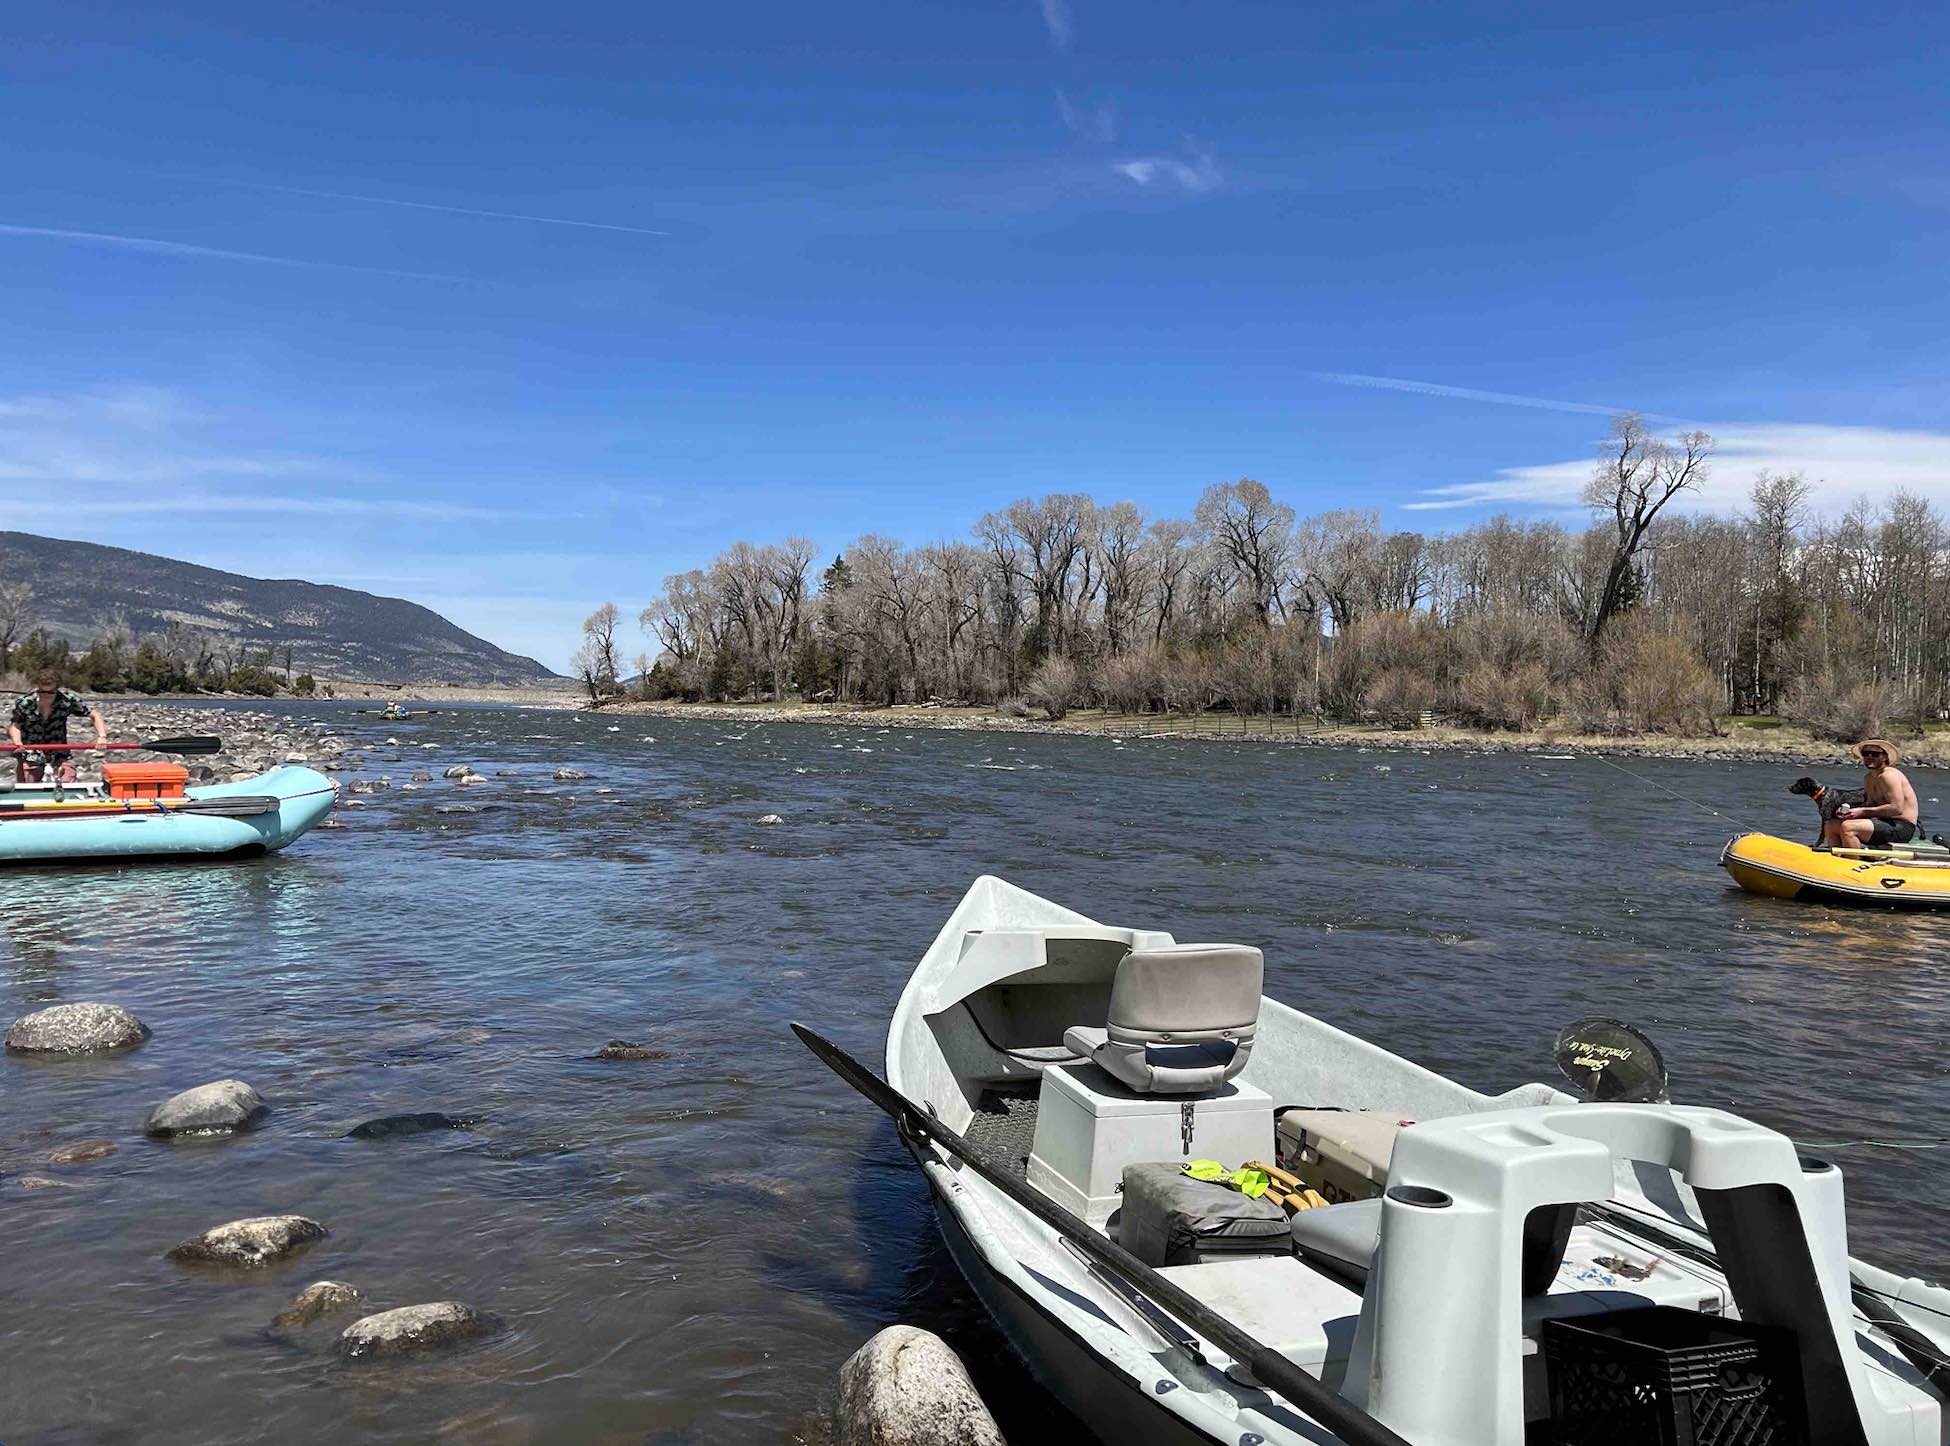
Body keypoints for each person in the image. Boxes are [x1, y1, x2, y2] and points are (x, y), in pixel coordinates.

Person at [8, 671, 108, 784]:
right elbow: (15, 726)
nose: (45, 696)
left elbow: (94, 714)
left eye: (50, 692)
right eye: (42, 692)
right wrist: (18, 744)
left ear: (57, 688)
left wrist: (102, 736)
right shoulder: (25, 702)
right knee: (28, 779)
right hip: (31, 750)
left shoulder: (67, 700)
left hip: (58, 749)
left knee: (67, 778)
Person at [1822, 738, 1919, 851]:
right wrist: (1850, 813)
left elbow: (1897, 808)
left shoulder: (1889, 775)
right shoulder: (1868, 778)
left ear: (1885, 757)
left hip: (1901, 827)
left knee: (1848, 827)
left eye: (1875, 754)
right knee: (1831, 825)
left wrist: (1862, 811)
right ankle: (1837, 858)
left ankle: (1852, 861)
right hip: (1880, 822)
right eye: (1866, 753)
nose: (1870, 757)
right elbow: (1870, 805)